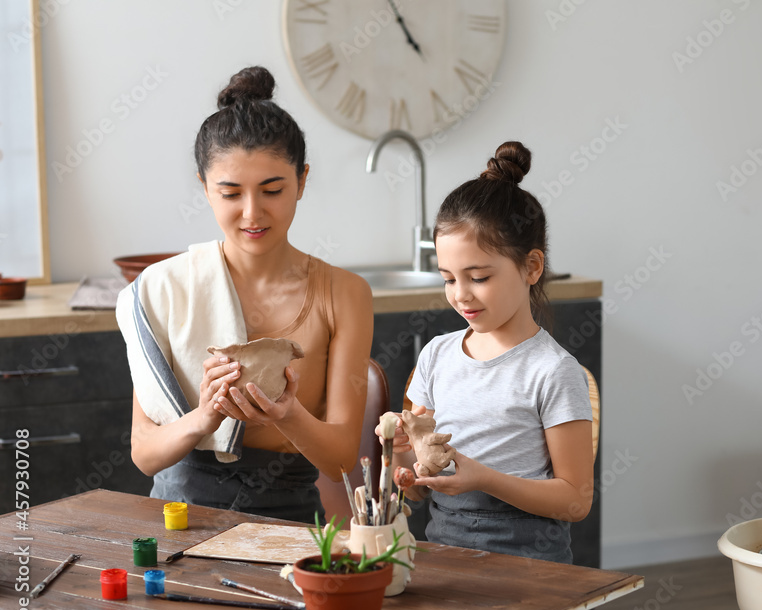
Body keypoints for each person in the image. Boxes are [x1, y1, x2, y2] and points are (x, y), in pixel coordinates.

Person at [116, 66, 373, 523]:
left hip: (287, 516)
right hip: (178, 514)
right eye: (230, 193)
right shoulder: (165, 290)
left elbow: (339, 462)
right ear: (204, 187)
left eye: (272, 189)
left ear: (303, 180)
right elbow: (145, 454)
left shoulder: (345, 294)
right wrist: (205, 415)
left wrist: (287, 415)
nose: (252, 213)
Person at [383, 141, 594, 563]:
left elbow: (575, 501)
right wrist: (400, 456)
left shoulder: (552, 371)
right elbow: (418, 469)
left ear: (532, 267)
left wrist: (484, 480)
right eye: (448, 278)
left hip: (527, 564)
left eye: (478, 277)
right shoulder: (437, 355)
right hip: (445, 552)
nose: (460, 295)